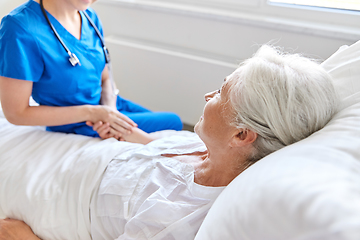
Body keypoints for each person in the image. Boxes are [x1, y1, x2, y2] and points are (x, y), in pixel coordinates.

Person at [0, 45, 339, 239]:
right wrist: (132, 136)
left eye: (220, 94)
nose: (208, 95)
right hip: (100, 151)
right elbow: (158, 162)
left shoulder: (176, 219)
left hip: (66, 197)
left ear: (242, 135)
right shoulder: (210, 151)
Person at [0, 0, 183, 141]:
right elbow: (16, 113)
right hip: (76, 122)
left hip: (106, 106)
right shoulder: (19, 29)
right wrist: (93, 114)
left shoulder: (89, 17)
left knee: (172, 122)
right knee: (166, 132)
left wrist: (110, 112)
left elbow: (104, 78)